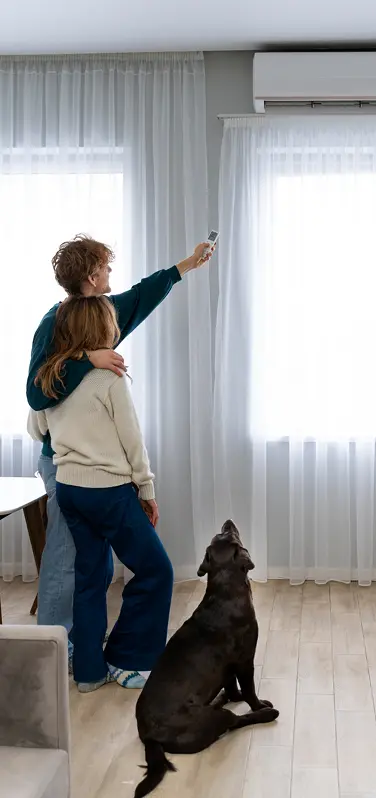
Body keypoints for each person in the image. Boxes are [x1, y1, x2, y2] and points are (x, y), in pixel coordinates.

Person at [26, 234, 213, 671]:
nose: (112, 274)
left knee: (92, 569)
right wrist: (87, 359)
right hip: (67, 464)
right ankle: (54, 651)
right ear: (92, 277)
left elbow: (142, 295)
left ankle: (86, 655)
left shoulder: (103, 314)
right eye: (107, 268)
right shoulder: (54, 324)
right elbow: (37, 394)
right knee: (66, 560)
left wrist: (185, 265)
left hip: (96, 468)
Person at [28, 294, 172, 692]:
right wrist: (147, 488)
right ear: (102, 331)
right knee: (157, 570)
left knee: (91, 579)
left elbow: (36, 429)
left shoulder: (50, 378)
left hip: (70, 489)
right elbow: (132, 440)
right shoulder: (109, 379)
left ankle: (89, 672)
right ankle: (130, 661)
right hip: (109, 492)